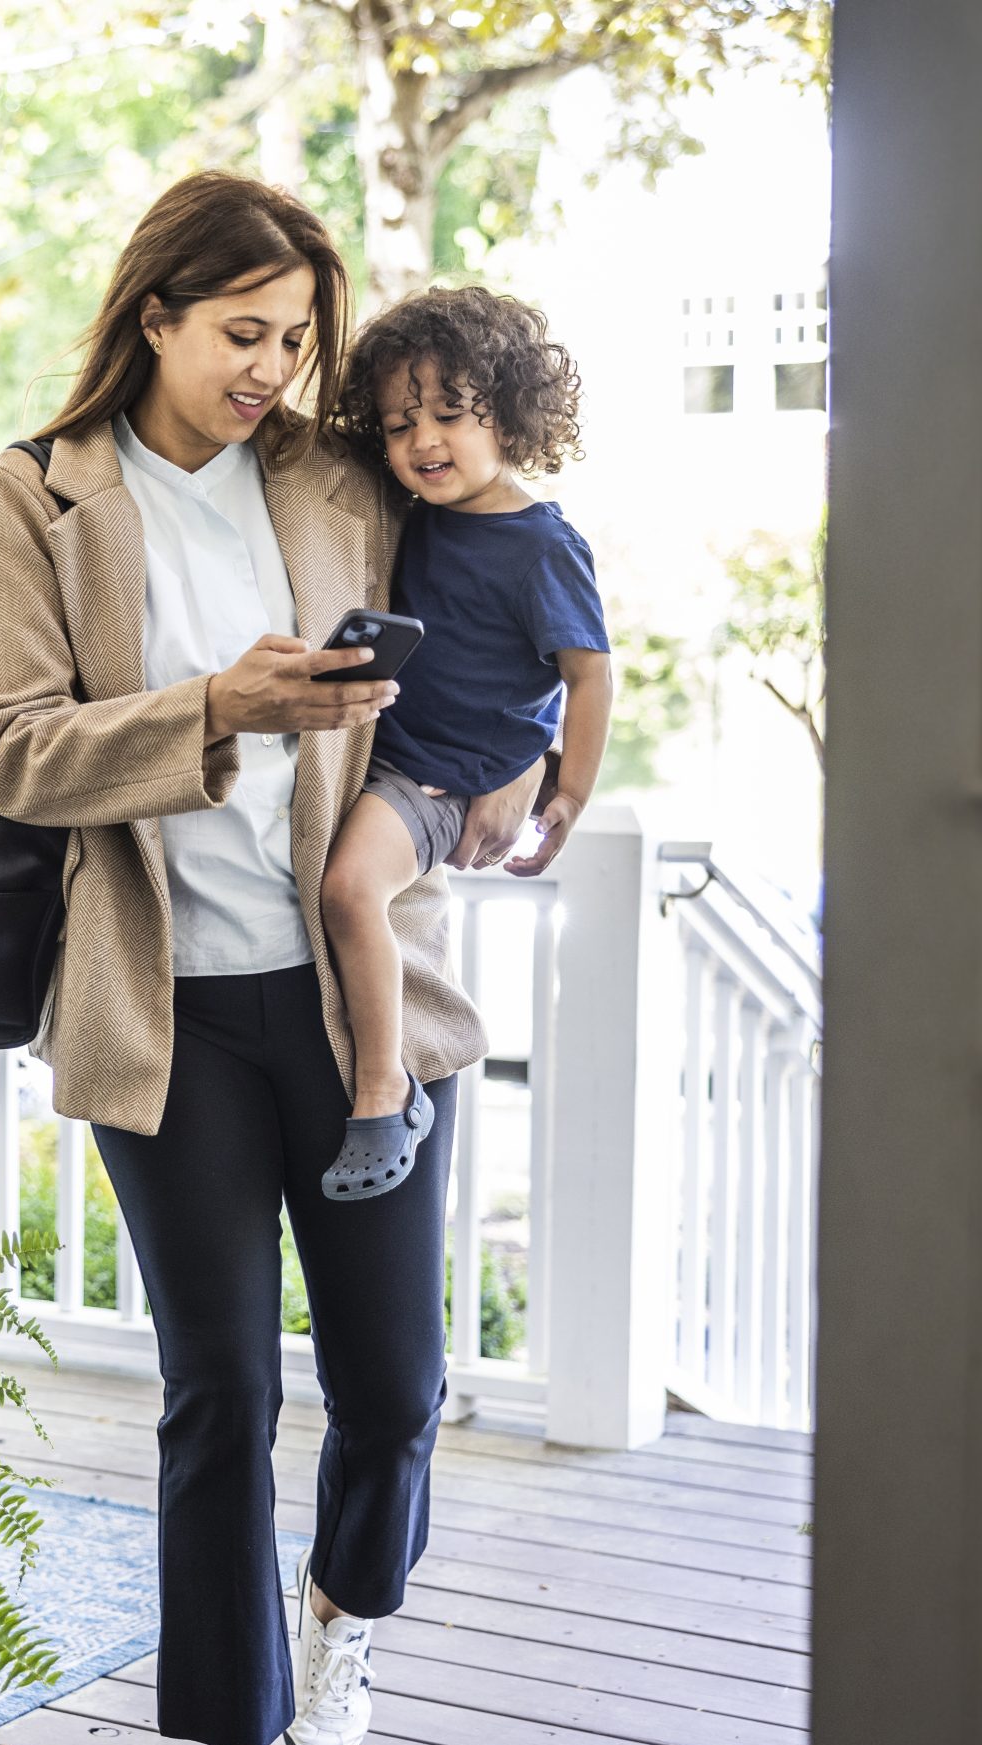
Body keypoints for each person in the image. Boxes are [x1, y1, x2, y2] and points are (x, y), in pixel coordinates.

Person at [0, 172, 546, 1745]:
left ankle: (350, 1617)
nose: (274, 365)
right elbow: (13, 747)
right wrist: (216, 704)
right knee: (221, 1391)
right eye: (241, 332)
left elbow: (508, 580)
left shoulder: (341, 474)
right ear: (153, 314)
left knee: (398, 1383)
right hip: (170, 1011)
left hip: (351, 1000)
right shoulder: (35, 496)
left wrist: (534, 750)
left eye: (296, 337)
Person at [313, 287, 615, 1203]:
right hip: (387, 753)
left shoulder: (542, 546)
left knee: (349, 886)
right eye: (402, 424)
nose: (423, 441)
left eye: (450, 414)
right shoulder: (418, 516)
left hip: (441, 781)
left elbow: (590, 673)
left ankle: (383, 1088)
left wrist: (567, 791)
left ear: (513, 414)